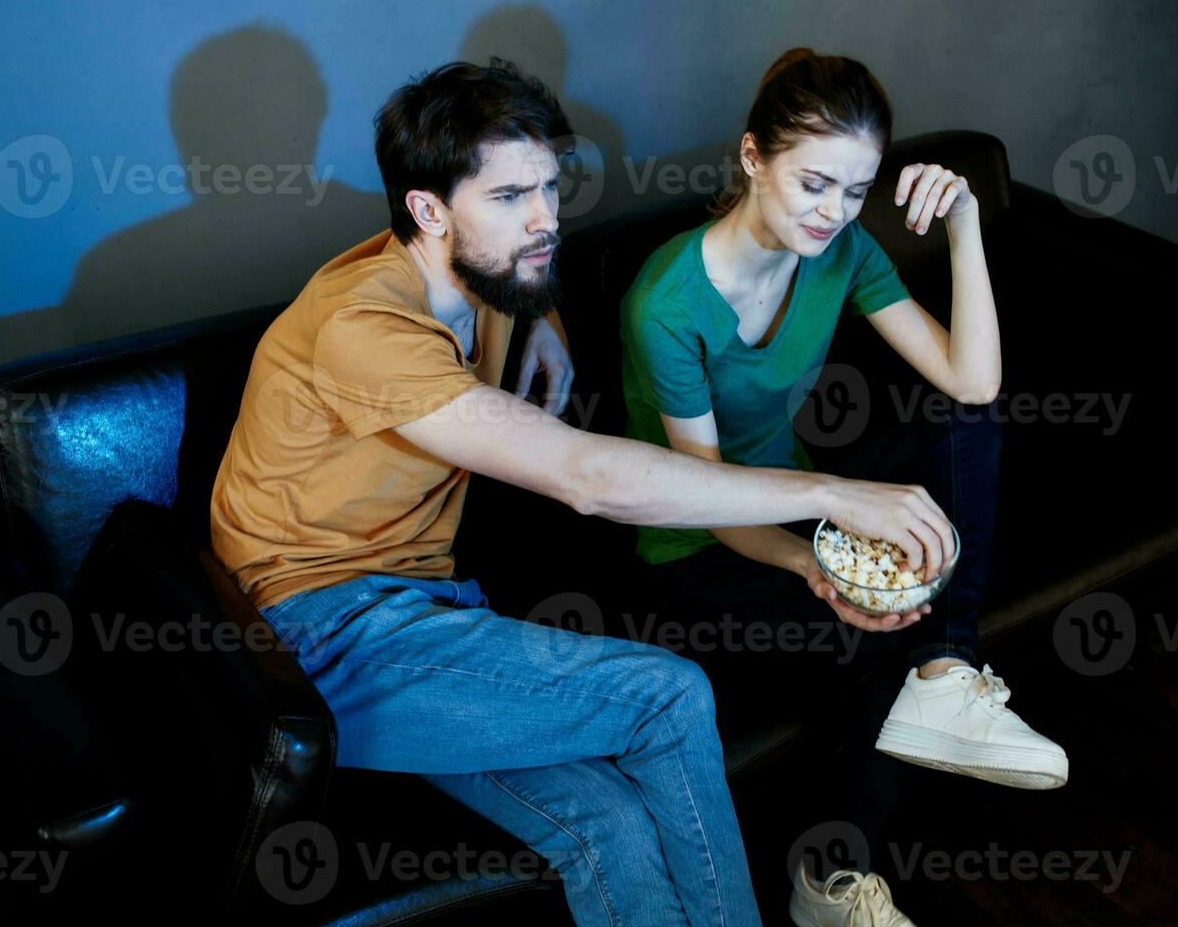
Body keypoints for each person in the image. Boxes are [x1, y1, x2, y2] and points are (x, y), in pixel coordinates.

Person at [209, 57, 954, 927]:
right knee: (668, 697)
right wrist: (837, 494)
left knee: (606, 823)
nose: (544, 221)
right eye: (509, 198)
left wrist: (546, 323)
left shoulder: (480, 273)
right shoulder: (362, 327)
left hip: (426, 614)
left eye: (550, 190)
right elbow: (587, 478)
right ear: (427, 208)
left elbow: (521, 284)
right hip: (310, 639)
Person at [618, 47, 1069, 927]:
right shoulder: (666, 305)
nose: (831, 213)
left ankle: (951, 664)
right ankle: (831, 883)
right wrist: (817, 563)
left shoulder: (840, 250)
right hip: (692, 542)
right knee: (869, 639)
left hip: (794, 501)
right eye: (813, 184)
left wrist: (965, 223)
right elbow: (705, 497)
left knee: (963, 424)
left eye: (854, 192)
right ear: (753, 158)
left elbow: (971, 381)